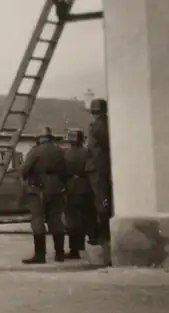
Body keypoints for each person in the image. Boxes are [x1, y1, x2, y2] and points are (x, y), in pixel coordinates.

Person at [21, 126, 67, 264]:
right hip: (56, 187)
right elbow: (65, 170)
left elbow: (24, 169)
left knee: (37, 220)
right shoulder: (60, 151)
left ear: (39, 138)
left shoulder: (35, 151)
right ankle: (60, 254)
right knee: (56, 219)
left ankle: (40, 255)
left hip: (39, 188)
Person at [85, 99, 112, 246]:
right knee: (101, 201)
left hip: (98, 168)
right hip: (99, 167)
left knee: (101, 202)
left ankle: (104, 236)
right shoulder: (104, 124)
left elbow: (102, 146)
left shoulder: (98, 126)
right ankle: (102, 235)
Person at [64, 129, 93, 259]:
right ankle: (89, 245)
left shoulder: (66, 154)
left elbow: (62, 171)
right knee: (87, 219)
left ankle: (74, 249)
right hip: (86, 188)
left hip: (71, 189)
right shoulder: (87, 153)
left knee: (72, 221)